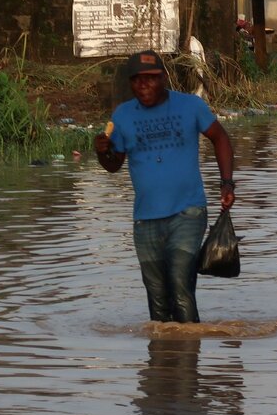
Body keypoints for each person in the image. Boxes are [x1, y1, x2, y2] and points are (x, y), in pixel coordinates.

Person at [94, 50, 235, 323]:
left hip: (188, 213)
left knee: (181, 286)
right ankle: (163, 359)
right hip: (145, 221)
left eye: (151, 79)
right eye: (137, 80)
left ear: (163, 78)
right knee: (156, 296)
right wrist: (102, 151)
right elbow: (113, 165)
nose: (143, 85)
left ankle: (188, 358)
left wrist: (226, 183)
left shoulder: (190, 106)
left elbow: (220, 138)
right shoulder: (122, 116)